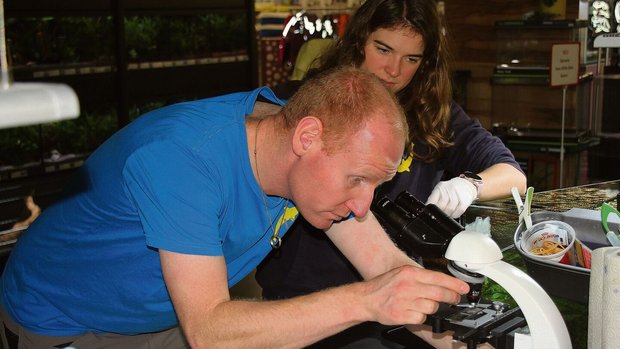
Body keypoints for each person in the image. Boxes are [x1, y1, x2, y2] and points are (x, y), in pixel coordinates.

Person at [0, 66, 470, 349]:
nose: (365, 203)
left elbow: (385, 268)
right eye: (359, 179)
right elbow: (210, 332)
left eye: (376, 182)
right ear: (308, 138)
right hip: (66, 321)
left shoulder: (298, 151)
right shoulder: (180, 162)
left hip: (168, 316)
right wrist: (369, 302)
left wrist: (451, 327)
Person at [256, 0, 527, 347]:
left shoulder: (430, 116)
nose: (394, 70)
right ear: (358, 41)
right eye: (383, 49)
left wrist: (468, 186)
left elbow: (513, 174)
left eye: (411, 59)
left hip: (397, 299)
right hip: (303, 305)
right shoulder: (299, 105)